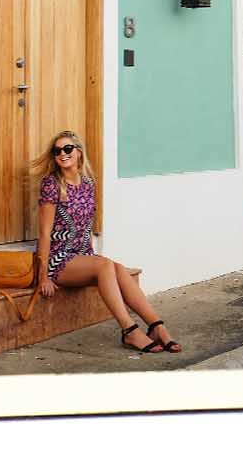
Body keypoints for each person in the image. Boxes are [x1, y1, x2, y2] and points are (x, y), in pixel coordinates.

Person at [31, 130, 181, 353]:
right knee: (105, 265)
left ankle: (157, 326)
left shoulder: (88, 184)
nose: (62, 154)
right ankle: (129, 331)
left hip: (82, 256)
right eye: (57, 151)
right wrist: (43, 276)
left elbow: (86, 228)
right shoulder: (52, 185)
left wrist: (91, 258)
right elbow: (44, 233)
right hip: (57, 259)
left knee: (117, 268)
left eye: (68, 149)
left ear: (79, 152)